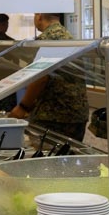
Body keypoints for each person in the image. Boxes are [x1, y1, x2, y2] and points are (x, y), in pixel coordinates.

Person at [8, 13, 89, 141]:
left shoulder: (47, 39)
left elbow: (40, 77)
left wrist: (23, 107)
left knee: (48, 158)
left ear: (39, 17)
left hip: (52, 116)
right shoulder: (68, 36)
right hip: (77, 115)